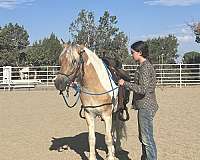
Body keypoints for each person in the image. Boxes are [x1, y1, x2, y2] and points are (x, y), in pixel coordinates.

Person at [118, 41, 158, 160]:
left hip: (146, 106)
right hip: (145, 105)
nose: (131, 55)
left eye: (132, 52)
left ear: (140, 52)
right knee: (144, 137)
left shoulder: (145, 67)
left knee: (146, 139)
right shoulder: (143, 66)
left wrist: (125, 83)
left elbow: (143, 89)